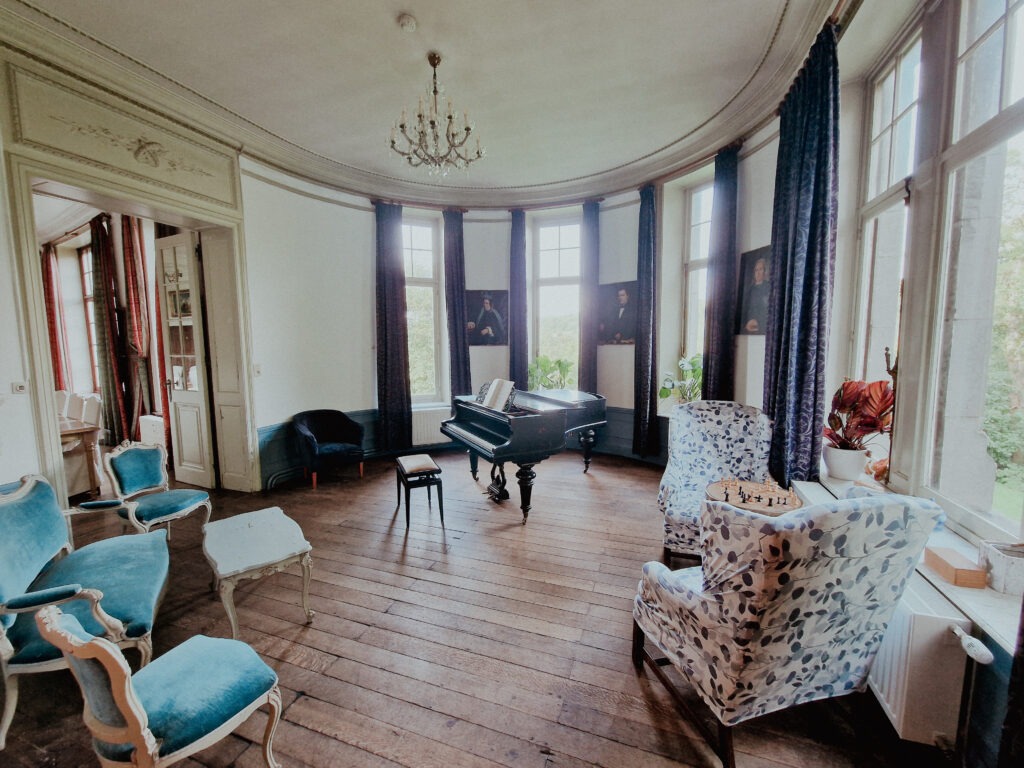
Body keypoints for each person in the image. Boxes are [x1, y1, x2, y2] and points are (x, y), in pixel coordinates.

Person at [741, 256, 769, 333]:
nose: (758, 273)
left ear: (765, 271)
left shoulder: (768, 287)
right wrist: (746, 324)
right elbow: (744, 311)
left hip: (762, 328)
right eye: (756, 270)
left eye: (760, 269)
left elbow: (767, 310)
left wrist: (758, 322)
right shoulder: (749, 290)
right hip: (748, 328)